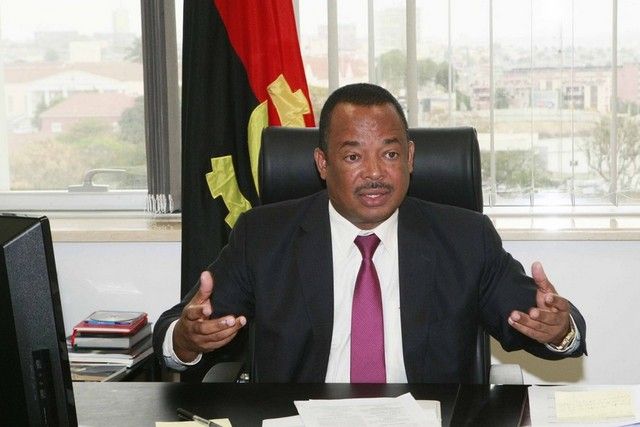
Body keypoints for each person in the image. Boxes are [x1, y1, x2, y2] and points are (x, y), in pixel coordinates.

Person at [153, 83, 586, 383]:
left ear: (410, 157)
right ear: (323, 163)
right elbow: (178, 330)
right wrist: (188, 339)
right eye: (353, 156)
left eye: (390, 154)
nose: (375, 173)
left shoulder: (465, 238)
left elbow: (538, 319)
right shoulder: (263, 237)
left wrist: (558, 329)